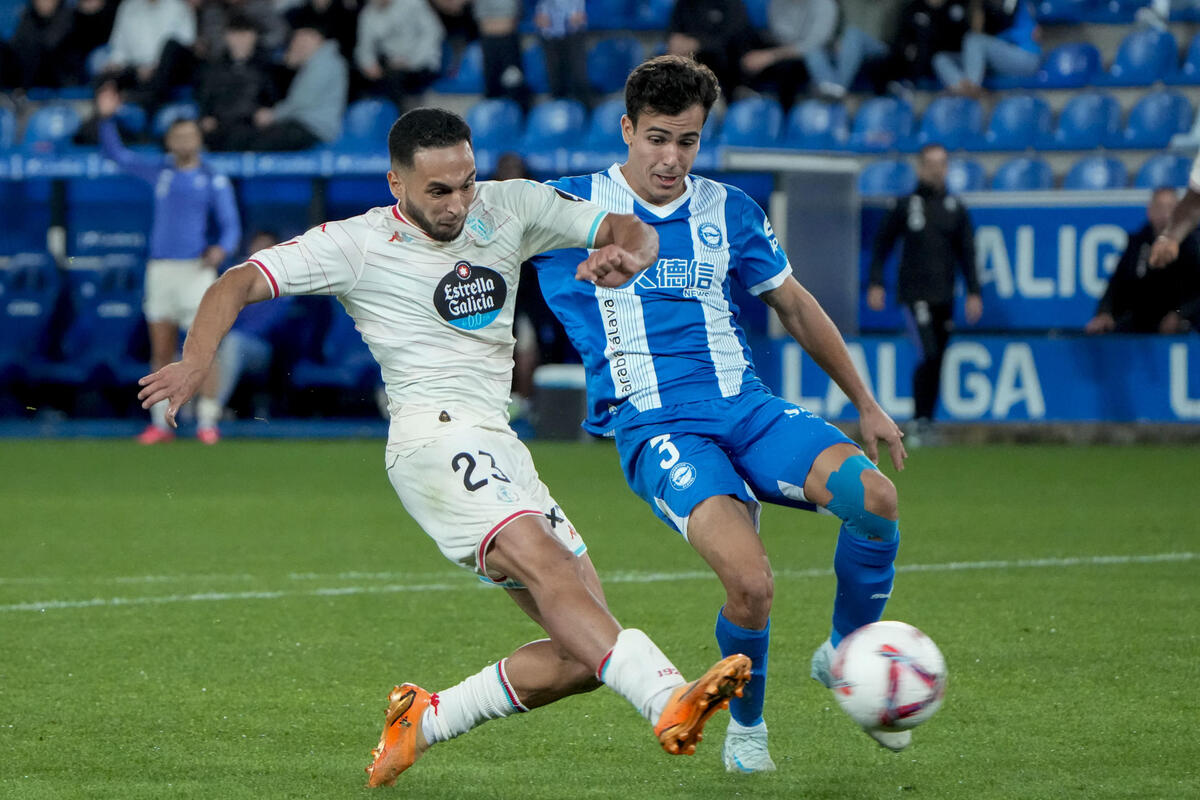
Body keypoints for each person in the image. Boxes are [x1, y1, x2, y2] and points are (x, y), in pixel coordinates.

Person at [135, 107, 752, 788]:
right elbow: (238, 281)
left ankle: (424, 720)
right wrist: (196, 360)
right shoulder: (356, 243)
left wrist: (628, 252)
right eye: (439, 191)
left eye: (466, 182)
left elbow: (623, 223)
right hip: (431, 439)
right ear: (396, 180)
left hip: (501, 446)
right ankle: (667, 698)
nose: (459, 203)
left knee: (583, 652)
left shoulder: (510, 205)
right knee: (545, 565)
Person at [530, 55, 911, 773]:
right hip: (658, 427)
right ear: (626, 130)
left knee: (877, 499)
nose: (672, 158)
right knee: (751, 583)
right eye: (657, 138)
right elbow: (475, 236)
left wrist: (866, 403)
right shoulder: (569, 206)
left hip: (747, 408)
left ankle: (847, 654)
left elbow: (793, 304)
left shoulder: (729, 210)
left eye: (689, 141)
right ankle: (748, 729)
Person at [96, 81, 240, 444]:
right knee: (160, 348)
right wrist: (106, 119)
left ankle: (208, 421)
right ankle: (161, 424)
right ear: (170, 142)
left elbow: (231, 226)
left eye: (190, 135)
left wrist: (221, 250)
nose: (185, 142)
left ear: (199, 140)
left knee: (204, 347)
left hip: (195, 271)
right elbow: (118, 155)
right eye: (178, 136)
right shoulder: (159, 171)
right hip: (161, 271)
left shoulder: (213, 177)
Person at [868, 142, 982, 439]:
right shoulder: (905, 205)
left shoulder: (955, 208)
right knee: (927, 354)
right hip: (914, 295)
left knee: (939, 357)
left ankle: (928, 421)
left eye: (942, 164)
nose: (936, 170)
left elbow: (967, 253)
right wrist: (877, 282)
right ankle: (918, 420)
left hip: (944, 296)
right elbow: (882, 245)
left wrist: (973, 292)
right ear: (920, 167)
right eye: (931, 164)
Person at [1087, 187, 1200, 334]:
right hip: (1143, 320)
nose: (1165, 214)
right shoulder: (1138, 243)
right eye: (1159, 207)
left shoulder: (1192, 243)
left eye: (1170, 207)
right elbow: (1118, 283)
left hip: (1184, 321)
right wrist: (1104, 313)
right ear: (1150, 211)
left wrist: (1180, 314)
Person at [228, 26, 347, 151]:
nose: (296, 44)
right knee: (249, 136)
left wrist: (273, 115)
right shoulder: (316, 62)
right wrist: (289, 64)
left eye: (301, 39)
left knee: (259, 143)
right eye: (296, 40)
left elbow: (302, 101)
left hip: (313, 127)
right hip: (301, 123)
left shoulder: (324, 63)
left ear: (315, 38)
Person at [196, 14, 280, 152]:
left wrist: (268, 112)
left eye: (245, 34)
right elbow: (204, 96)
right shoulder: (213, 67)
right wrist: (206, 116)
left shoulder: (267, 67)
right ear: (227, 36)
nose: (240, 40)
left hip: (251, 124)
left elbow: (273, 98)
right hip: (220, 124)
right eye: (235, 34)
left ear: (254, 36)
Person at [98, 0, 197, 112]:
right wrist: (115, 66)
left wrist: (154, 67)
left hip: (169, 72)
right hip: (136, 69)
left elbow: (186, 45)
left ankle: (144, 99)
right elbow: (119, 48)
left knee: (171, 46)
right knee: (103, 73)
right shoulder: (128, 6)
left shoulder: (178, 6)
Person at [740, 0, 838, 111]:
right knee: (744, 41)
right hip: (785, 46)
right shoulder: (777, 3)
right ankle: (739, 92)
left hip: (813, 57)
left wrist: (770, 56)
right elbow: (780, 35)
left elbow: (812, 44)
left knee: (791, 64)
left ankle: (786, 110)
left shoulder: (824, 4)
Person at [932, 0, 1041, 97]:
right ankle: (961, 87)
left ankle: (972, 86)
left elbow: (1000, 19)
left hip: (1024, 57)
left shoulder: (1011, 3)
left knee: (973, 40)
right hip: (996, 60)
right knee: (940, 58)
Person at [353, 0, 444, 110]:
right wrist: (369, 64)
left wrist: (411, 61)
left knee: (394, 79)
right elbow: (364, 48)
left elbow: (434, 32)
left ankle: (400, 119)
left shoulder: (413, 3)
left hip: (422, 62)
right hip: (392, 65)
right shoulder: (367, 14)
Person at [666, 0, 759, 99]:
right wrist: (677, 46)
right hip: (689, 65)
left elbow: (734, 41)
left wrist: (698, 44)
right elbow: (674, 34)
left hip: (723, 71)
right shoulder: (683, 3)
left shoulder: (733, 4)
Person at [534, 0, 592, 107]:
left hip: (574, 32)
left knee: (578, 78)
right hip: (549, 33)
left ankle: (584, 112)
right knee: (555, 80)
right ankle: (558, 113)